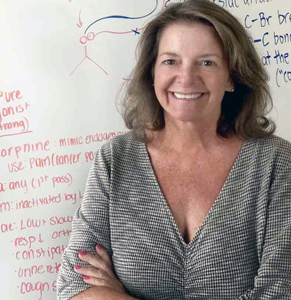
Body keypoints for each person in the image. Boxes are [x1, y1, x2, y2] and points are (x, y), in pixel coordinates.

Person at [57, 0, 291, 299]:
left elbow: (279, 292)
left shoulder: (276, 163)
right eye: (170, 61)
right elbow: (75, 287)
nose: (186, 78)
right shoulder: (116, 158)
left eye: (206, 62)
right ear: (152, 72)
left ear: (232, 76)